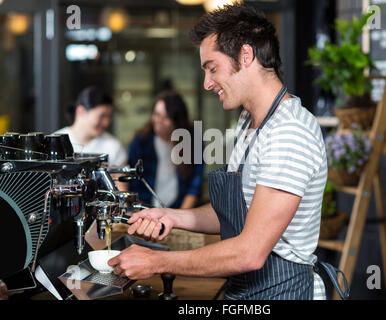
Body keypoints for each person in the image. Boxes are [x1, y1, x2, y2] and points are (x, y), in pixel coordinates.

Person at [109, 4, 348, 300]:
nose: (207, 83)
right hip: (245, 292)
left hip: (282, 292)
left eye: (212, 68)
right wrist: (170, 216)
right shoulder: (250, 123)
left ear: (245, 56)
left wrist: (155, 261)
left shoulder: (288, 133)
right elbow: (237, 211)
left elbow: (249, 253)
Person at [127, 90, 204, 209]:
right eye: (156, 114)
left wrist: (180, 218)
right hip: (146, 209)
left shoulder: (193, 142)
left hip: (178, 209)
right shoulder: (141, 141)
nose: (159, 121)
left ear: (178, 121)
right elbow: (133, 183)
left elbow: (194, 188)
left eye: (166, 117)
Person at [54, 86, 127, 168]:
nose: (106, 123)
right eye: (102, 116)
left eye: (109, 117)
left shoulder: (114, 146)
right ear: (81, 111)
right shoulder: (56, 142)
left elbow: (120, 179)